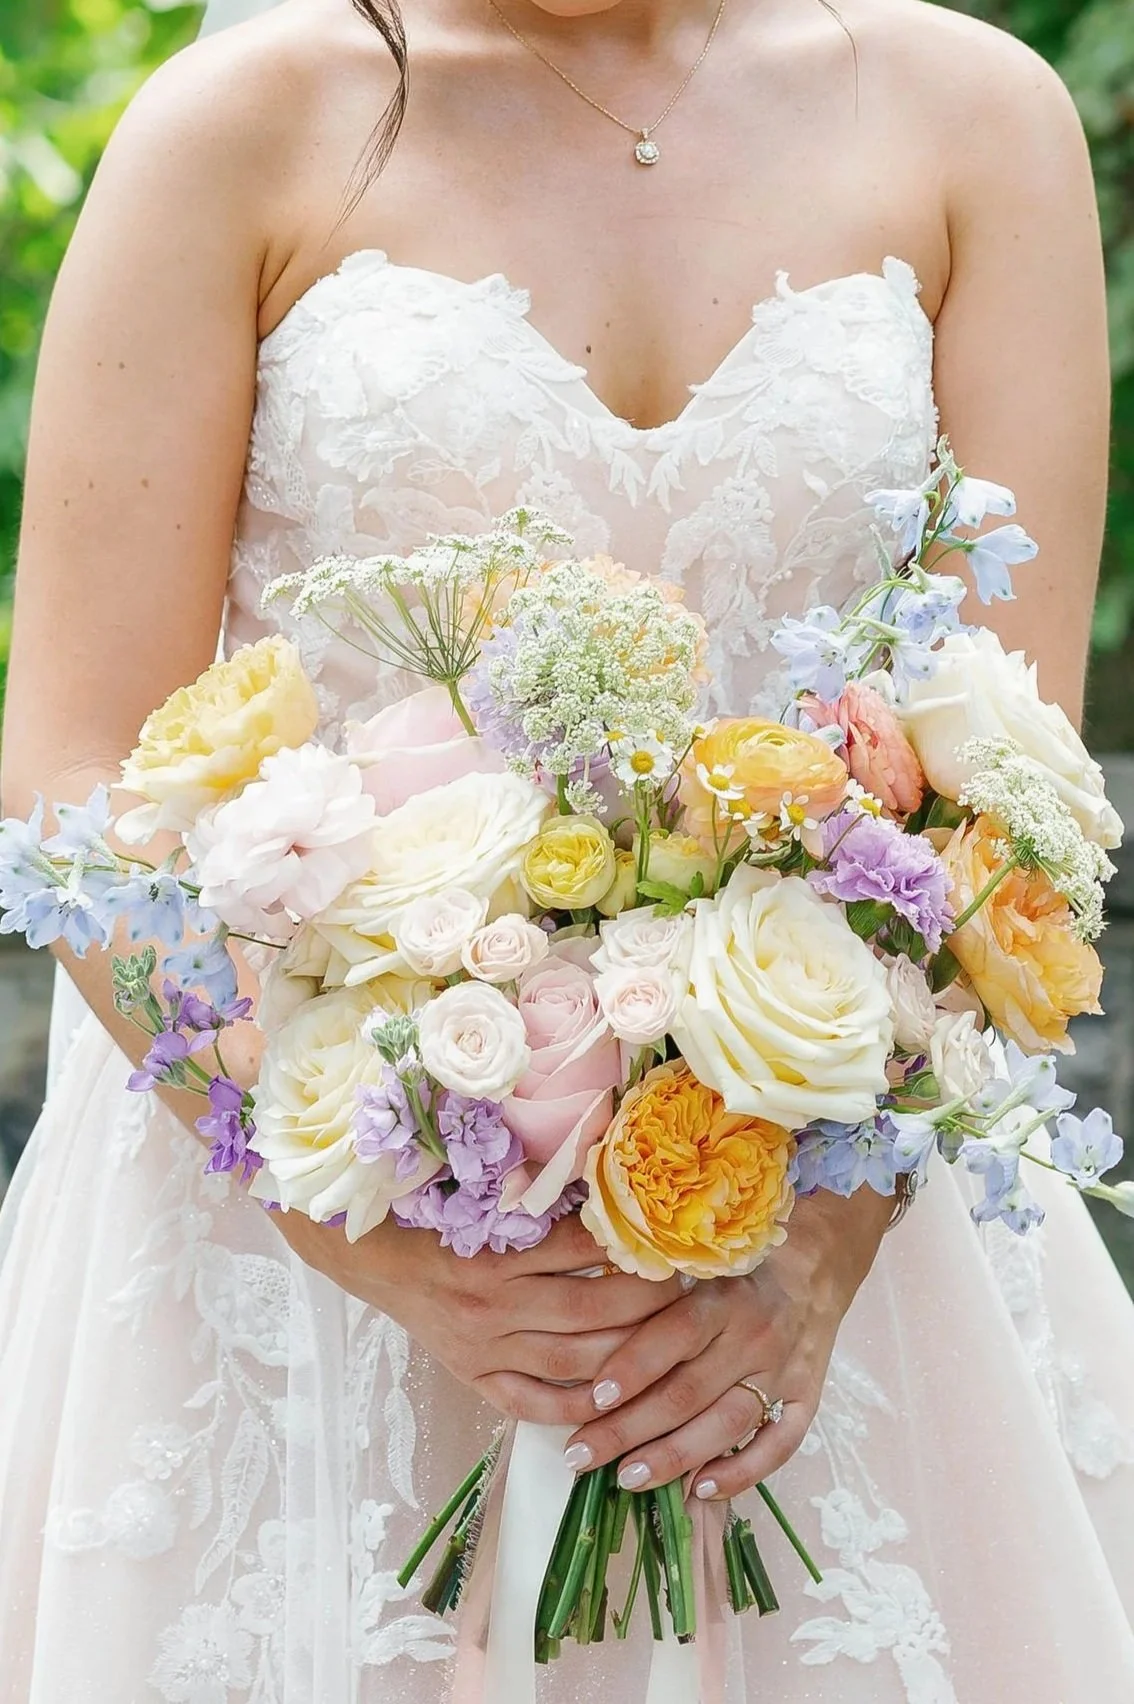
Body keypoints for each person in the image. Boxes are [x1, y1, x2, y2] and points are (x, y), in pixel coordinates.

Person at [3, 0, 1134, 1697]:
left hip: (825, 1183)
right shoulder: (240, 123)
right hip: (297, 1191)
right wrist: (349, 1221)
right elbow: (77, 771)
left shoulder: (972, 117)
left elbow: (1007, 762)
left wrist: (825, 1245)